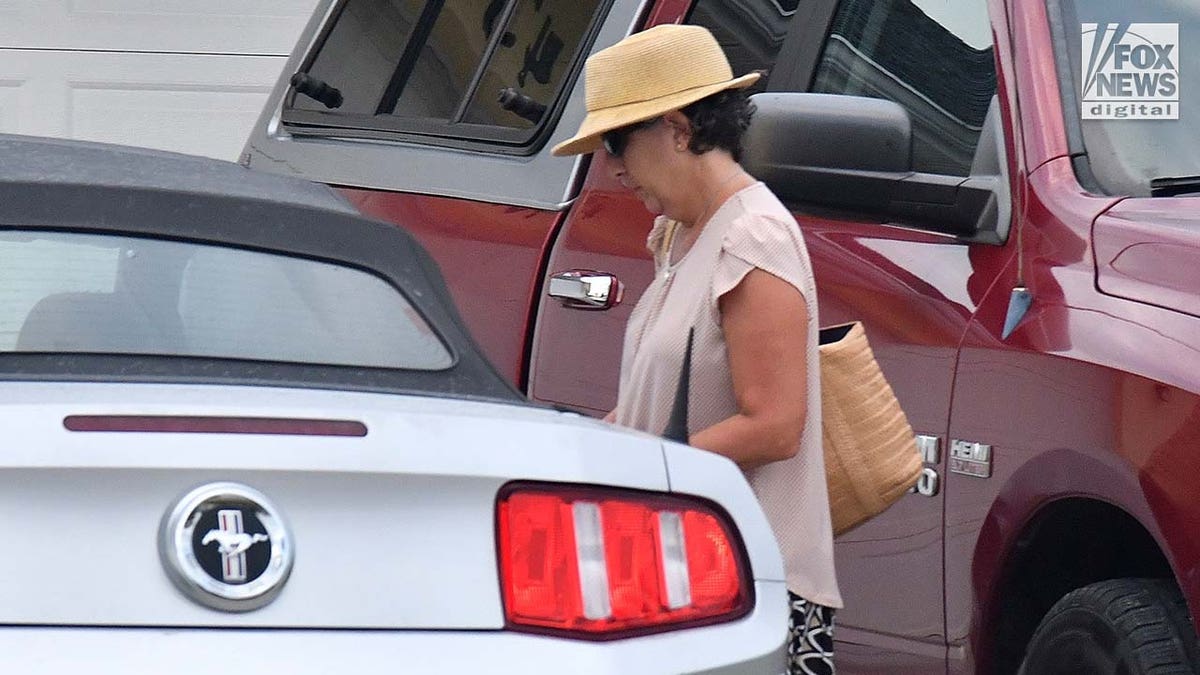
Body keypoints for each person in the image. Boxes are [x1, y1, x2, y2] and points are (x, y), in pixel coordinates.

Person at [552, 23, 842, 675]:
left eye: (617, 142)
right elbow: (660, 408)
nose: (613, 167)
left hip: (740, 587)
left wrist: (639, 464)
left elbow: (775, 426)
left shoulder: (753, 236)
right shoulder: (678, 236)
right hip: (675, 574)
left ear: (678, 130)